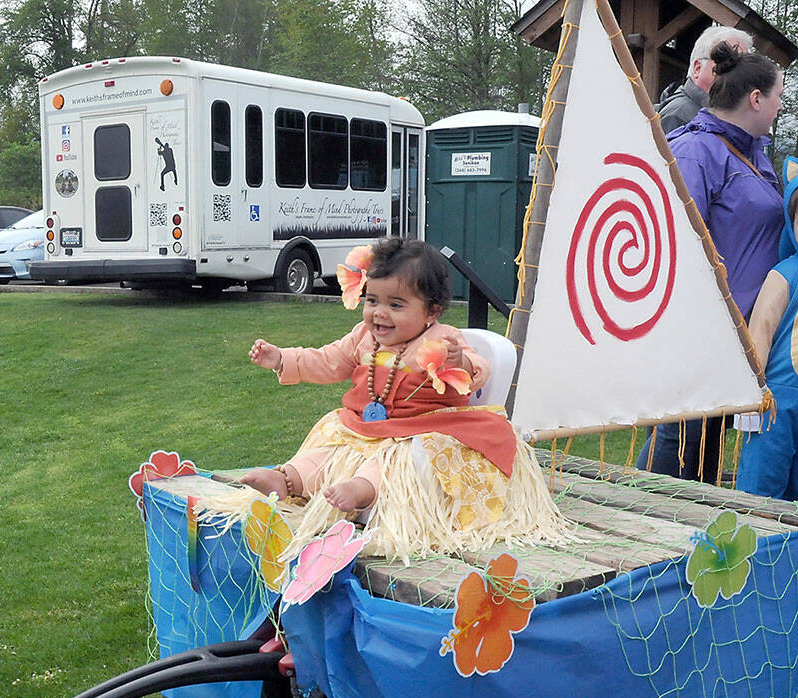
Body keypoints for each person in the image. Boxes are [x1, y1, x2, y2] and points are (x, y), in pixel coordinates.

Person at [228, 238, 566, 561]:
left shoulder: (443, 338)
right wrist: (284, 359)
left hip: (420, 429)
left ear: (431, 312)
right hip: (365, 429)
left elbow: (479, 368)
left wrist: (458, 362)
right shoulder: (363, 338)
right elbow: (328, 360)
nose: (379, 314)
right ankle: (287, 479)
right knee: (328, 446)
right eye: (372, 301)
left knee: (393, 460)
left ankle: (362, 491)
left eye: (395, 305)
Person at [639, 42, 785, 482]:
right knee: (683, 434)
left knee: (705, 435)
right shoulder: (694, 151)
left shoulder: (755, 151)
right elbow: (678, 244)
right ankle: (643, 521)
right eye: (778, 97)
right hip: (706, 326)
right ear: (755, 98)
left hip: (742, 326)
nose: (780, 108)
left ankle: (692, 534)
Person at [738, 157, 798, 498]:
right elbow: (759, 333)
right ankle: (756, 544)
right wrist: (752, 395)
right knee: (762, 483)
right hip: (776, 401)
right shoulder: (784, 276)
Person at [657, 25, 753, 134]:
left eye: (743, 67)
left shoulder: (719, 115)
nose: (738, 73)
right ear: (698, 68)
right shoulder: (678, 116)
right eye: (727, 63)